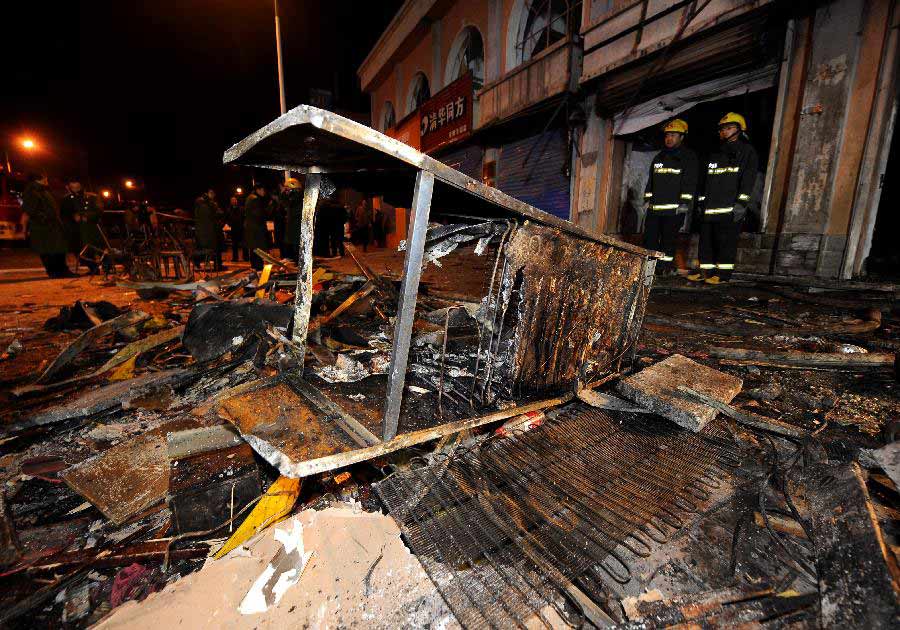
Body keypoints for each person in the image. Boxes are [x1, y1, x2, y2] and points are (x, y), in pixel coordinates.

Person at [687, 112, 759, 285]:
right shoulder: (715, 153)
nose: (725, 132)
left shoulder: (747, 152)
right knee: (706, 243)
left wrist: (741, 204)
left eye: (729, 128)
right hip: (709, 208)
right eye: (723, 129)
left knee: (725, 243)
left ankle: (723, 275)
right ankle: (706, 272)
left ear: (739, 130)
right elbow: (705, 181)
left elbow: (748, 180)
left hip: (729, 209)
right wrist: (701, 203)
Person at [642, 119, 697, 274]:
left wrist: (684, 203)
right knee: (650, 239)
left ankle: (663, 269)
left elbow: (690, 182)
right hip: (654, 210)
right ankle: (649, 270)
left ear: (682, 137)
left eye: (673, 135)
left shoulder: (688, 158)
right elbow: (651, 181)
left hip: (674, 211)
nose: (669, 138)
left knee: (668, 241)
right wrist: (647, 200)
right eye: (667, 135)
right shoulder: (659, 158)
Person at [21, 173, 71, 278]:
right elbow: (31, 210)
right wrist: (45, 219)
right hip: (43, 227)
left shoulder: (43, 191)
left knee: (58, 249)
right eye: (44, 177)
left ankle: (62, 270)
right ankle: (54, 272)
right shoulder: (32, 192)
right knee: (47, 251)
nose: (47, 179)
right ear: (39, 179)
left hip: (52, 225)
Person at [61, 177, 104, 273]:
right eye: (73, 187)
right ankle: (93, 267)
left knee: (95, 249)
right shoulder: (66, 199)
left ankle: (104, 268)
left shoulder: (92, 197)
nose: (75, 190)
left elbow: (99, 211)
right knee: (78, 250)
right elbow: (63, 213)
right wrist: (73, 216)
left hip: (90, 228)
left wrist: (86, 217)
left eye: (77, 187)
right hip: (74, 229)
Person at [193, 188, 223, 270]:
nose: (212, 196)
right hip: (207, 230)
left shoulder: (202, 203)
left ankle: (200, 264)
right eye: (211, 194)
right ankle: (204, 263)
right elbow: (216, 214)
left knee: (202, 248)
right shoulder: (209, 204)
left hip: (202, 229)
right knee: (208, 248)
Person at [244, 183, 271, 270]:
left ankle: (255, 268)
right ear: (258, 190)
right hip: (256, 229)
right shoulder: (255, 199)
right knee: (258, 250)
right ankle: (259, 269)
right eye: (263, 190)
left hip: (251, 229)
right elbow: (259, 215)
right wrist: (268, 209)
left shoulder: (249, 198)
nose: (264, 192)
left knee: (254, 250)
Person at [281, 177, 303, 260]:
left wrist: (283, 195)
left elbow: (288, 203)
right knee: (292, 242)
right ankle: (294, 258)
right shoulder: (295, 195)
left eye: (287, 188)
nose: (286, 190)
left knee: (296, 242)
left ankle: (297, 260)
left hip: (296, 223)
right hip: (294, 222)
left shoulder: (297, 196)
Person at [226, 195, 248, 262]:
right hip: (234, 229)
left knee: (244, 244)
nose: (233, 201)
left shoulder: (241, 208)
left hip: (241, 229)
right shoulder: (229, 210)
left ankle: (246, 257)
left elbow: (245, 217)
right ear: (230, 202)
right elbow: (227, 218)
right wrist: (230, 224)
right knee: (234, 245)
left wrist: (244, 224)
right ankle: (235, 258)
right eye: (232, 200)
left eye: (234, 200)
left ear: (236, 201)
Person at [272, 181, 287, 258]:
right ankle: (283, 255)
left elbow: (284, 207)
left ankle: (285, 255)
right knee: (281, 240)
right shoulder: (276, 200)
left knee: (284, 240)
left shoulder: (284, 196)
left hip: (283, 223)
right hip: (278, 222)